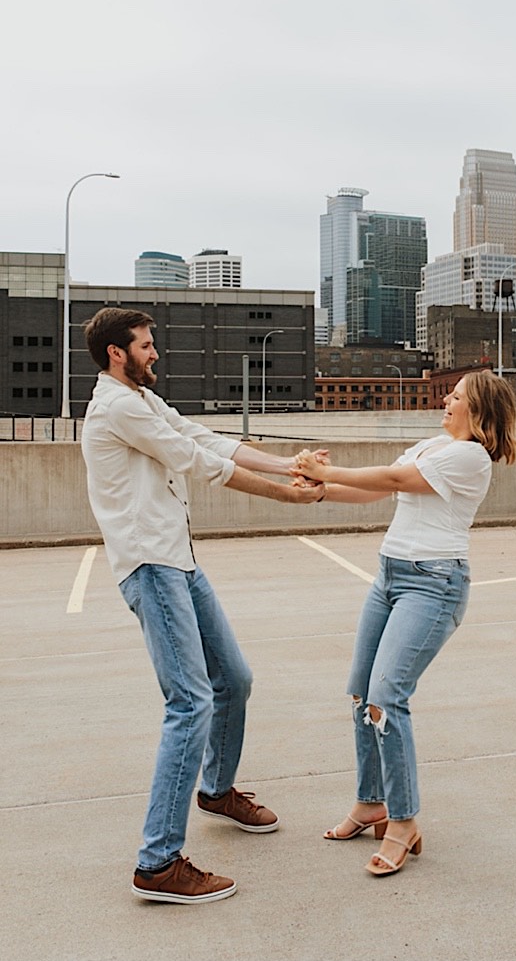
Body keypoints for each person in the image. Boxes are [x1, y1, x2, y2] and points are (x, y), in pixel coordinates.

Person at [80, 307, 322, 904]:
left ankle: (216, 790)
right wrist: (285, 498)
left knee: (232, 680)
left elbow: (203, 438)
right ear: (117, 352)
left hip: (180, 562)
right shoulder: (117, 407)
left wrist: (286, 461)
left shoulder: (141, 400)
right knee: (188, 702)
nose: (154, 352)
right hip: (152, 566)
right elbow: (199, 464)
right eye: (145, 344)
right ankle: (158, 862)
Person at [291, 369, 516, 877]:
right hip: (390, 576)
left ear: (477, 409)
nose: (446, 399)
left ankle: (402, 820)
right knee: (359, 694)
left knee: (386, 698)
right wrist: (320, 490)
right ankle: (371, 801)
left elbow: (393, 479)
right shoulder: (432, 446)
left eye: (456, 396)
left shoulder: (469, 456)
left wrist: (329, 471)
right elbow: (378, 492)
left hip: (433, 584)